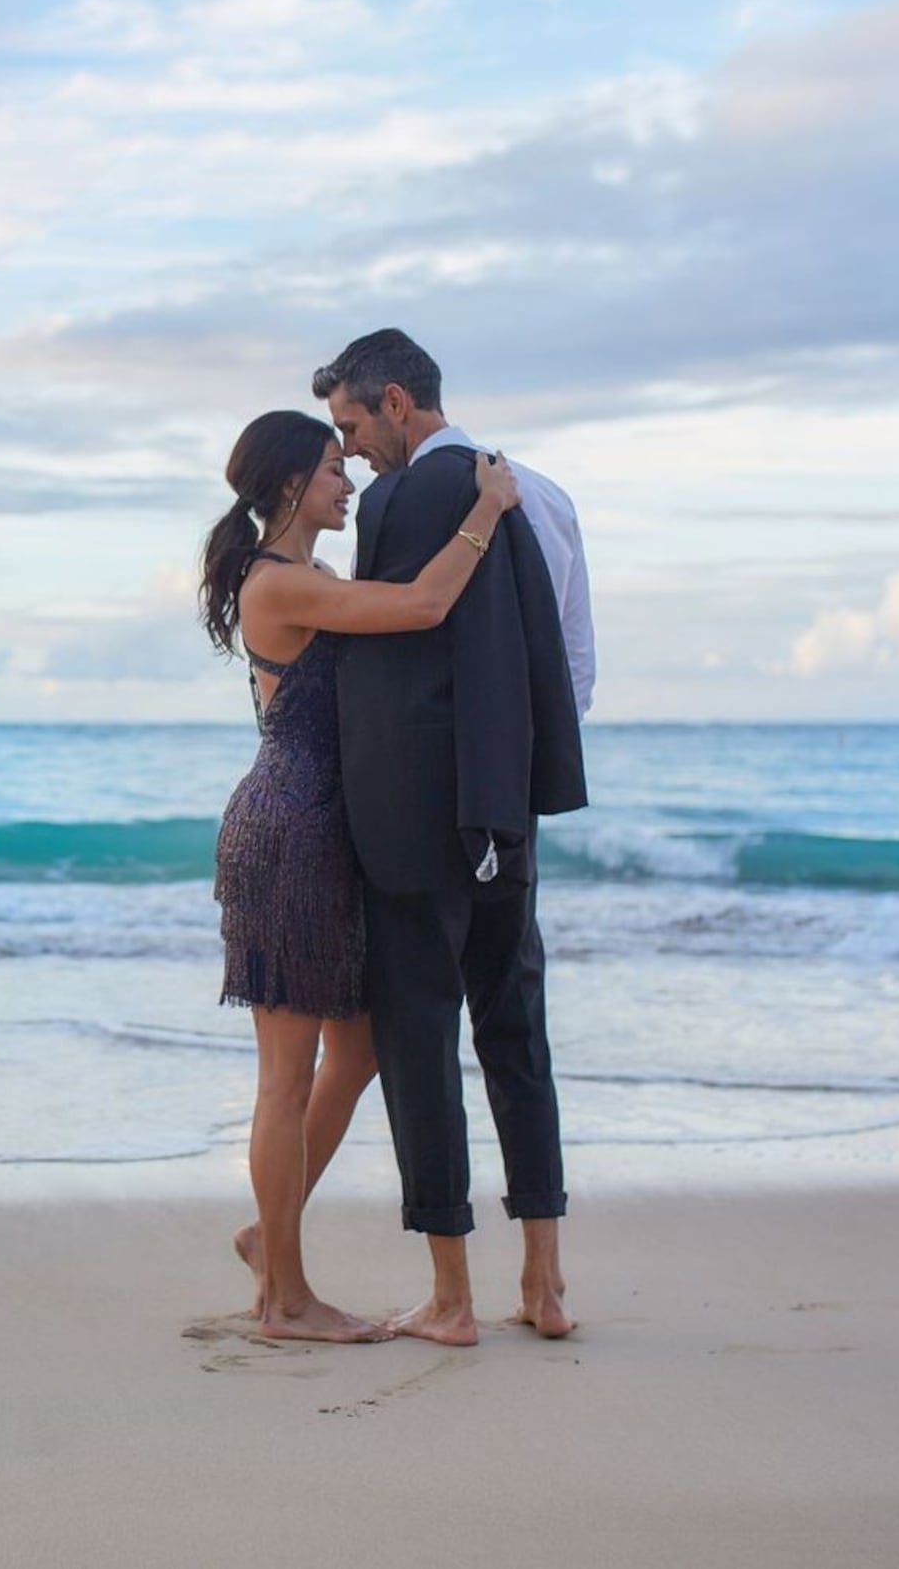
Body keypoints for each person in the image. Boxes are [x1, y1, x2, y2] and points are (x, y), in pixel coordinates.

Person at [198, 408, 520, 1344]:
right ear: (294, 483)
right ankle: (287, 1301)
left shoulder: (310, 577)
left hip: (327, 833)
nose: (351, 484)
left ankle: (271, 1238)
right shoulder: (278, 585)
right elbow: (422, 605)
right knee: (285, 1077)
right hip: (289, 834)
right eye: (337, 470)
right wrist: (487, 509)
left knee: (362, 1049)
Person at [313, 328, 592, 1345]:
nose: (350, 454)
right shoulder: (543, 492)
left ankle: (450, 1297)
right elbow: (571, 661)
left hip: (411, 819)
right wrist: (508, 779)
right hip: (506, 812)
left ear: (395, 401)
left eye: (350, 426)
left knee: (421, 1042)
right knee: (516, 1036)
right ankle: (546, 1286)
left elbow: (384, 656)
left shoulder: (396, 501)